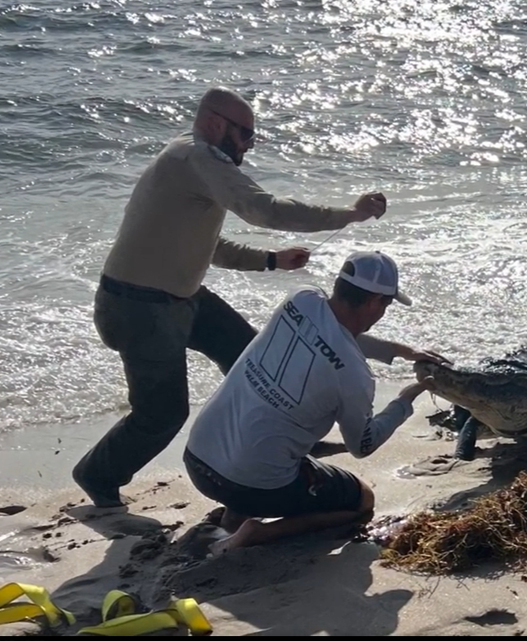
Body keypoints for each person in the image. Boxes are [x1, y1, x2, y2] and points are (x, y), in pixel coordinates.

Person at [73, 86, 392, 508]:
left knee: (253, 355)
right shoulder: (196, 157)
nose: (250, 145)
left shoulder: (196, 162)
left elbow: (208, 245)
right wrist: (351, 214)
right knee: (162, 414)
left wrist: (270, 260)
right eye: (245, 134)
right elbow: (265, 210)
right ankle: (97, 476)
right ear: (214, 123)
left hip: (183, 299)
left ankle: (286, 442)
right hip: (138, 308)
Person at [183, 250, 447, 555]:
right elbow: (363, 445)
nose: (383, 312)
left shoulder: (301, 299)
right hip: (254, 488)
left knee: (264, 439)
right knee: (362, 501)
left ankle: (234, 517)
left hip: (198, 460)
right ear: (375, 301)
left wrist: (400, 351)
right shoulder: (356, 377)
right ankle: (259, 531)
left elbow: (332, 333)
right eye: (386, 305)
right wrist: (405, 400)